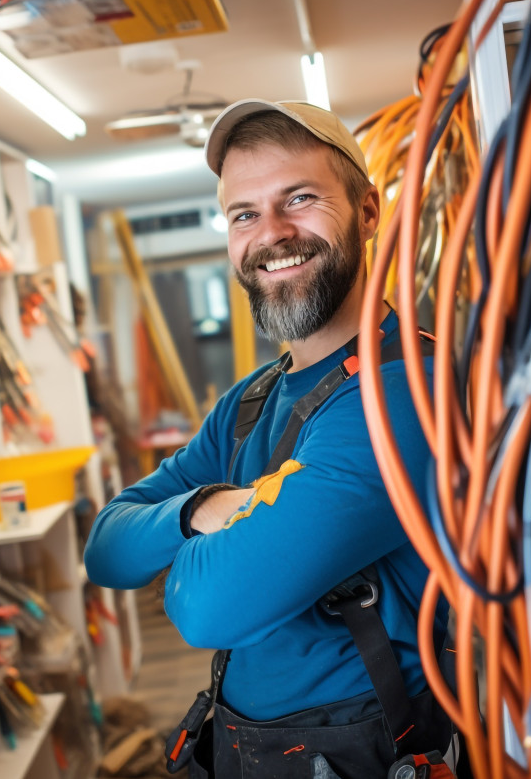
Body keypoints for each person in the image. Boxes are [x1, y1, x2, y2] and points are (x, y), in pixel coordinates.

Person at [84, 100, 449, 779]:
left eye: (300, 199)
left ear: (368, 211)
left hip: (362, 753)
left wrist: (181, 553)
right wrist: (202, 509)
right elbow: (106, 549)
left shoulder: (401, 393)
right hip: (245, 743)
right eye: (243, 214)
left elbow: (205, 607)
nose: (272, 234)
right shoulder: (251, 402)